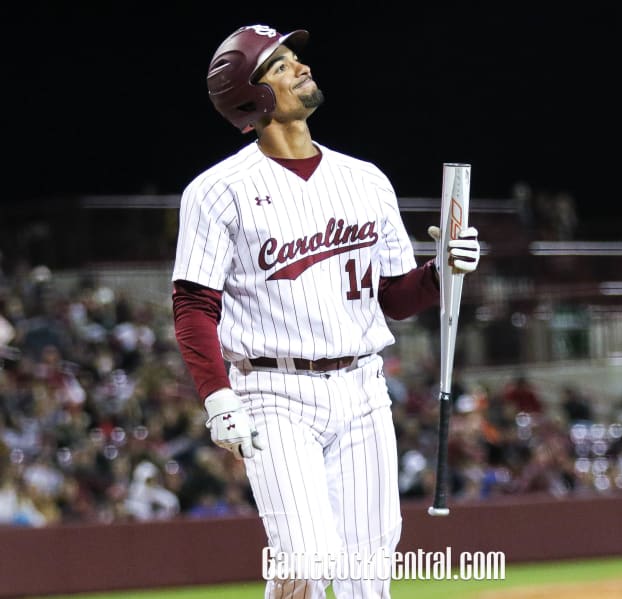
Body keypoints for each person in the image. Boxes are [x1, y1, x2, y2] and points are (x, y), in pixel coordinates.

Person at [170, 23, 481, 598]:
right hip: (272, 391)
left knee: (368, 573)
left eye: (295, 60)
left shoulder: (365, 179)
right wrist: (218, 400)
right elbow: (193, 306)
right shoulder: (218, 190)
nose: (301, 68)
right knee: (305, 562)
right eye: (281, 65)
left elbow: (396, 298)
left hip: (363, 389)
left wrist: (443, 273)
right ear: (252, 96)